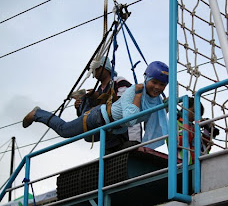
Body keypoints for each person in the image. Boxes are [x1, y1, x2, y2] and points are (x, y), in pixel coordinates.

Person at [23, 61, 169, 149]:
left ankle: (82, 103)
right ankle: (38, 114)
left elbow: (154, 118)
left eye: (161, 84)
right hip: (99, 117)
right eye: (154, 82)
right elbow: (130, 118)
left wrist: (165, 107)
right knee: (65, 130)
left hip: (111, 128)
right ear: (146, 79)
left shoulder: (121, 82)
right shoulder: (134, 90)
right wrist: (137, 95)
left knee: (91, 140)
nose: (157, 87)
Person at [72, 56, 142, 153]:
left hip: (127, 133)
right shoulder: (98, 90)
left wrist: (99, 96)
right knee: (110, 163)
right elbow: (92, 116)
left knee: (128, 157)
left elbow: (124, 104)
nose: (94, 72)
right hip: (109, 138)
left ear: (105, 67)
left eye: (96, 68)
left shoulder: (119, 81)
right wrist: (80, 105)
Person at [172, 97, 219, 164]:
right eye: (194, 111)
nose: (196, 116)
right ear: (185, 108)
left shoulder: (194, 127)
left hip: (199, 163)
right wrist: (195, 128)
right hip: (182, 164)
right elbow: (178, 143)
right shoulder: (175, 124)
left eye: (199, 114)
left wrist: (207, 130)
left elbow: (204, 148)